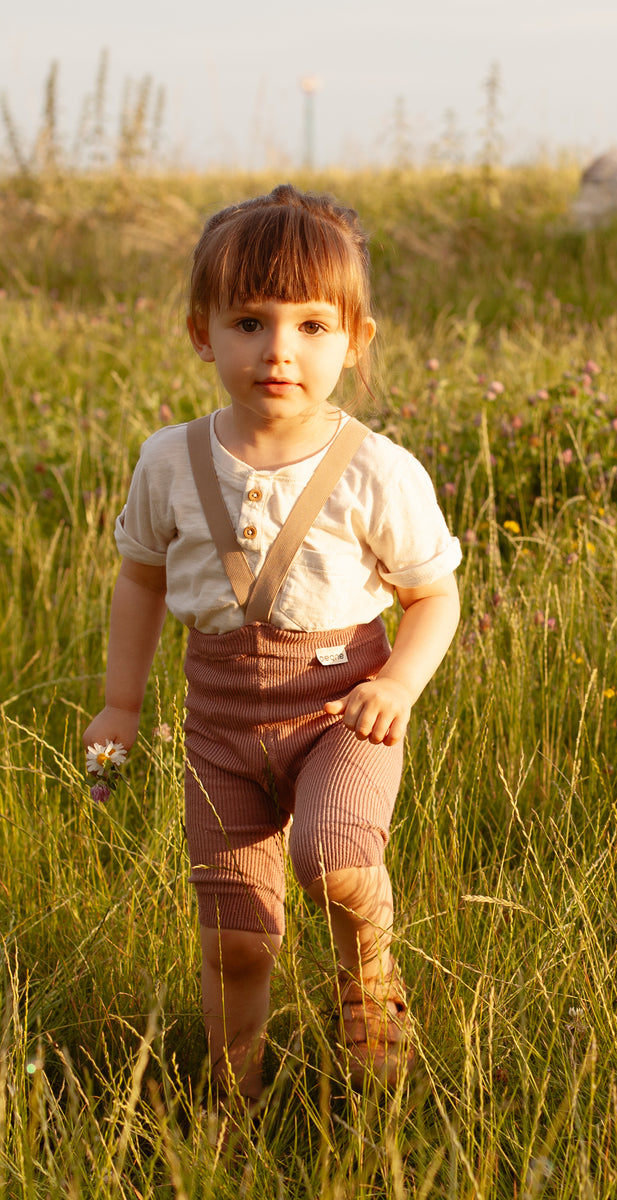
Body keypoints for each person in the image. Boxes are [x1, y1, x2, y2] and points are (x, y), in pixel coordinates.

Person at [83, 184, 461, 1106]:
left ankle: (369, 975)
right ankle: (232, 1098)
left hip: (344, 708)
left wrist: (401, 683)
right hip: (219, 721)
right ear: (201, 332)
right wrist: (121, 705)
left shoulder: (376, 466)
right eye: (250, 321)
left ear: (355, 340)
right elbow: (139, 578)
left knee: (335, 861)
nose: (279, 350)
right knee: (236, 936)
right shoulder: (169, 459)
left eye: (312, 326)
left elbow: (433, 594)